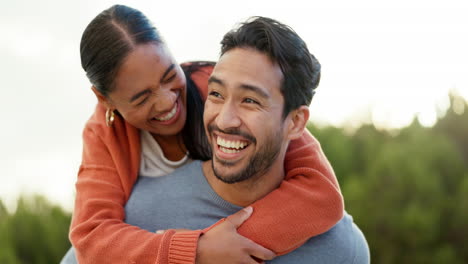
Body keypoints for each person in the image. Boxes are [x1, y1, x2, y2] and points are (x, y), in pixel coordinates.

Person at [65, 5, 344, 264]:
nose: (166, 102)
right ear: (104, 99)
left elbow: (320, 191)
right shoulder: (104, 133)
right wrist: (196, 251)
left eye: (169, 75)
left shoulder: (225, 89)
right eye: (141, 98)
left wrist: (231, 244)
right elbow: (91, 238)